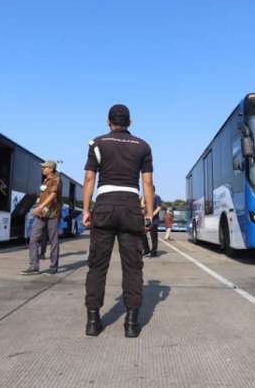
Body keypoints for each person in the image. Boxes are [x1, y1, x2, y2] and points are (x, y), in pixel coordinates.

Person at [82, 104, 154, 338]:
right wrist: (149, 214)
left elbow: (90, 178)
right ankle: (131, 325)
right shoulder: (143, 146)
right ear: (130, 122)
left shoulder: (97, 143)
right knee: (132, 267)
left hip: (104, 207)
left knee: (97, 265)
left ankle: (93, 322)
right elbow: (147, 184)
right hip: (131, 208)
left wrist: (86, 209)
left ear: (108, 121)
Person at [21, 161, 62, 275]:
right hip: (41, 214)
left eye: (44, 167)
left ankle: (53, 267)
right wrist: (38, 206)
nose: (42, 169)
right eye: (43, 167)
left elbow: (53, 195)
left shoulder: (56, 179)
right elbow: (44, 196)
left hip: (52, 214)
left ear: (51, 168)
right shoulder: (45, 180)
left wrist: (41, 206)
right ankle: (34, 266)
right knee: (33, 238)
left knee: (53, 240)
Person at [148, 187, 163, 257]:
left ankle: (154, 251)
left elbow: (159, 208)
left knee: (153, 237)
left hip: (154, 220)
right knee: (141, 233)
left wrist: (151, 215)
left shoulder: (157, 197)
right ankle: (146, 249)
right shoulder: (146, 197)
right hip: (146, 220)